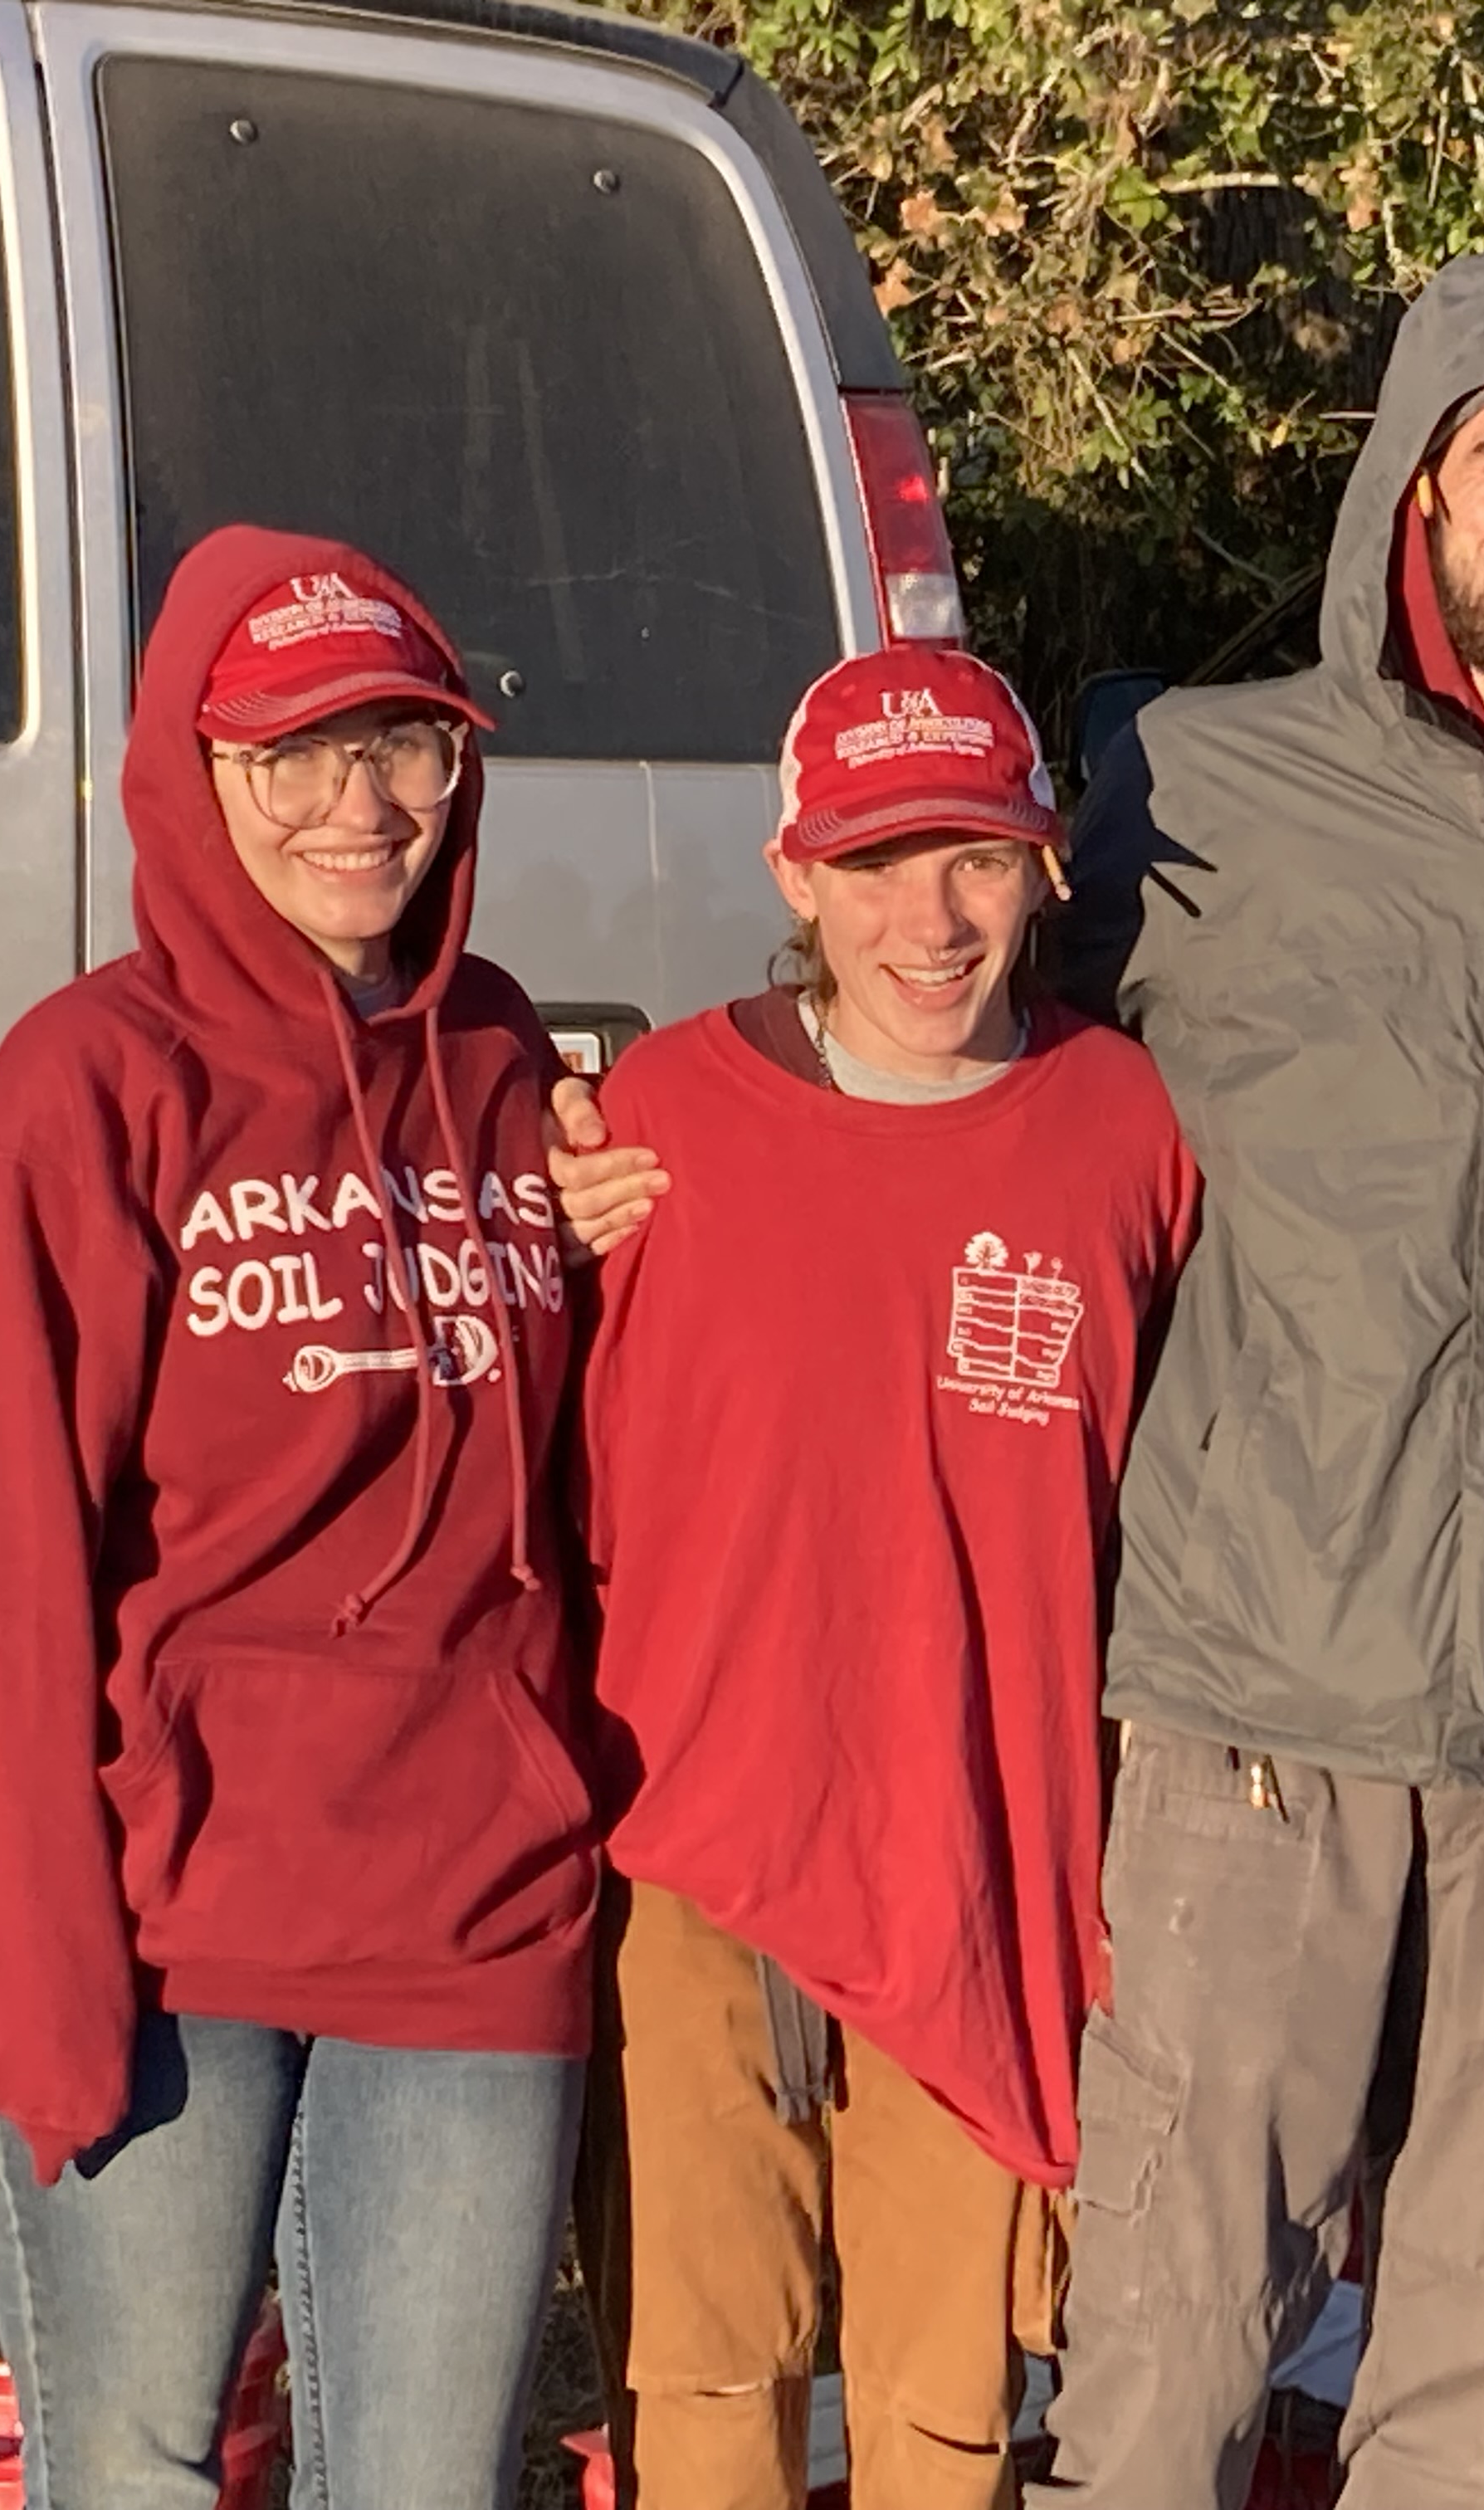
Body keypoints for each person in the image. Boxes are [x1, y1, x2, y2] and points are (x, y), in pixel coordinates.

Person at [559, 249, 1484, 2503]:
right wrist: (619, 1155)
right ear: (1414, 489)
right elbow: (930, 1034)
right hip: (1253, 1702)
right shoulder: (1199, 790)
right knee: (1166, 2329)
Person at [0, 527, 590, 2510]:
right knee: (138, 2473)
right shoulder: (87, 1091)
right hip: (174, 1931)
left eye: (408, 748)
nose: (364, 808)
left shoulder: (512, 1063)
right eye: (294, 755)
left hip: (471, 1915)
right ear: (189, 778)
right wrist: (18, 1956)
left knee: (429, 2488)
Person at [571, 648, 1197, 2510]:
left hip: (980, 1859)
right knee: (704, 2369)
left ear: (1047, 864)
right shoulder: (657, 1124)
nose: (929, 920)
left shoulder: (1128, 1129)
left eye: (978, 862)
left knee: (948, 2397)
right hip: (700, 1850)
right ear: (794, 877)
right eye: (873, 865)